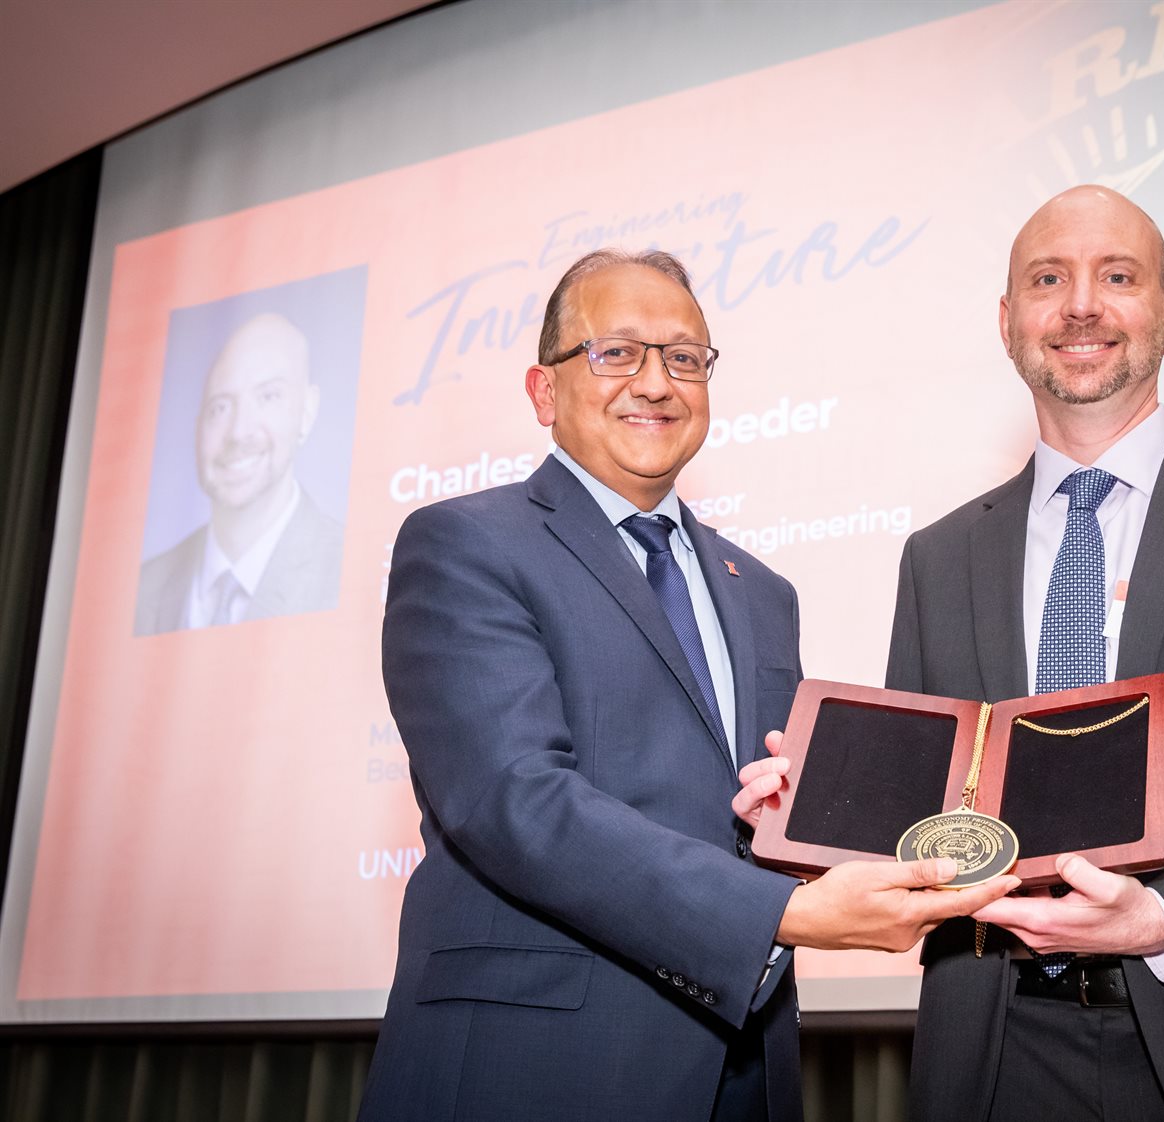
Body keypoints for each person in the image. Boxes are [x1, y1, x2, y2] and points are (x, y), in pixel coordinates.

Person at [739, 186, 1164, 1121]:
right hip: (998, 1052)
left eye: (1117, 276)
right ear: (1006, 321)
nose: (1080, 305)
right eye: (1047, 278)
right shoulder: (940, 557)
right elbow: (944, 808)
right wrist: (819, 818)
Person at [358, 249, 1016, 1122]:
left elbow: (753, 810)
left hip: (744, 1059)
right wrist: (785, 912)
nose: (656, 382)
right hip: (537, 1063)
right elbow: (512, 802)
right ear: (543, 391)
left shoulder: (762, 590)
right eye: (616, 353)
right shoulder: (465, 545)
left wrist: (813, 819)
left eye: (685, 357)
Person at [134, 311, 343, 635]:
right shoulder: (145, 586)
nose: (238, 432)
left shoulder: (345, 569)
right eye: (220, 407)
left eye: (268, 396)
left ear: (307, 411)